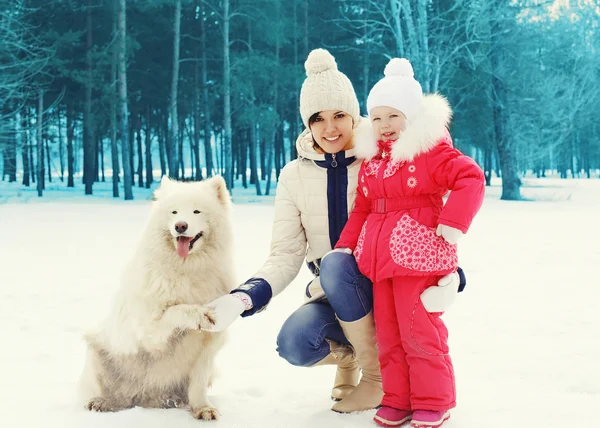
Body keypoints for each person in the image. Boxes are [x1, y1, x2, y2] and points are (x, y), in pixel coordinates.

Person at [202, 50, 463, 414]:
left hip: (393, 278)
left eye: (340, 115)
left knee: (338, 265)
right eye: (318, 118)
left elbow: (434, 209)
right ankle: (352, 359)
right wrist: (242, 298)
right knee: (295, 342)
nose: (330, 128)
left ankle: (377, 379)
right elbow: (285, 255)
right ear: (307, 123)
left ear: (355, 115)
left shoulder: (383, 157)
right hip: (335, 289)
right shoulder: (293, 175)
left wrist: (449, 273)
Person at [334, 58, 485, 428]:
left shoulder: (430, 152)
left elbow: (471, 177)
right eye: (378, 118)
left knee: (420, 331)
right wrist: (345, 245)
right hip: (380, 260)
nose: (385, 126)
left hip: (420, 258)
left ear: (412, 117)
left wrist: (453, 222)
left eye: (394, 116)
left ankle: (434, 400)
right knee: (388, 334)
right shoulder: (372, 163)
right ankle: (398, 399)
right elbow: (362, 208)